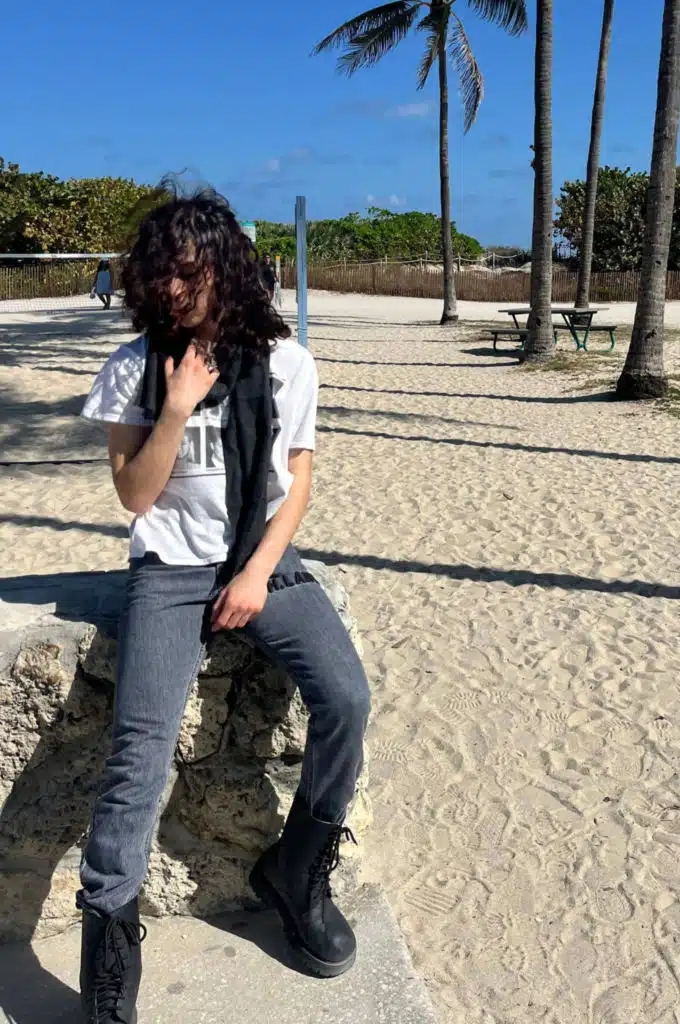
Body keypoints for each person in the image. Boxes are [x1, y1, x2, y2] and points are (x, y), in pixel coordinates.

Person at [77, 188, 370, 1023]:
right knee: (140, 752)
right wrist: (174, 408)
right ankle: (109, 945)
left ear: (226, 270)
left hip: (258, 560)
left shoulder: (287, 363)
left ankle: (298, 869)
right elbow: (136, 496)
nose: (173, 289)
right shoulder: (134, 367)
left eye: (190, 273)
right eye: (161, 274)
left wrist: (256, 574)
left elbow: (297, 481)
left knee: (347, 699)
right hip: (170, 570)